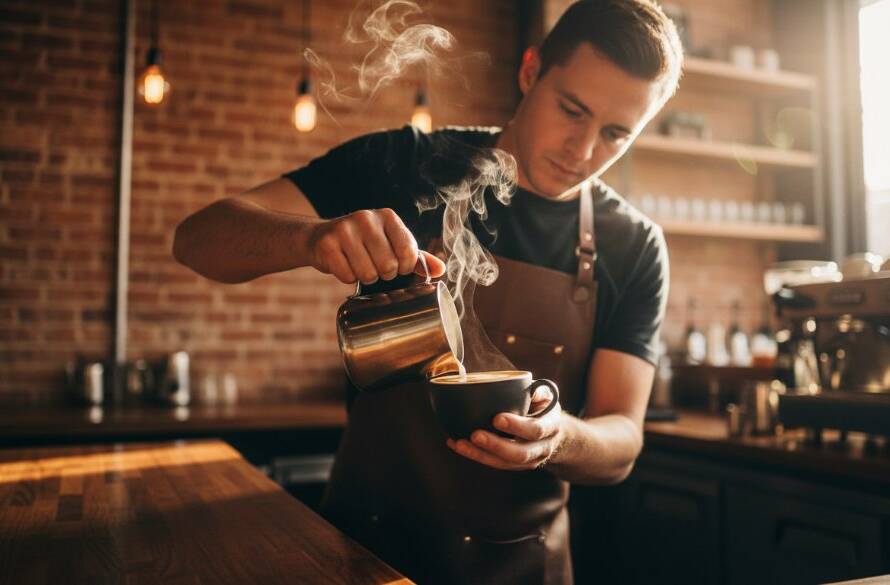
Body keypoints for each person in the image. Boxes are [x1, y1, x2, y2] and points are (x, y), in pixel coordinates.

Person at [173, 1, 683, 583]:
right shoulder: (406, 164)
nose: (583, 151)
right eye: (572, 110)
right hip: (360, 556)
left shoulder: (633, 245)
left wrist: (558, 438)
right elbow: (197, 239)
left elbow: (623, 441)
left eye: (616, 134)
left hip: (521, 568)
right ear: (530, 71)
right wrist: (310, 239)